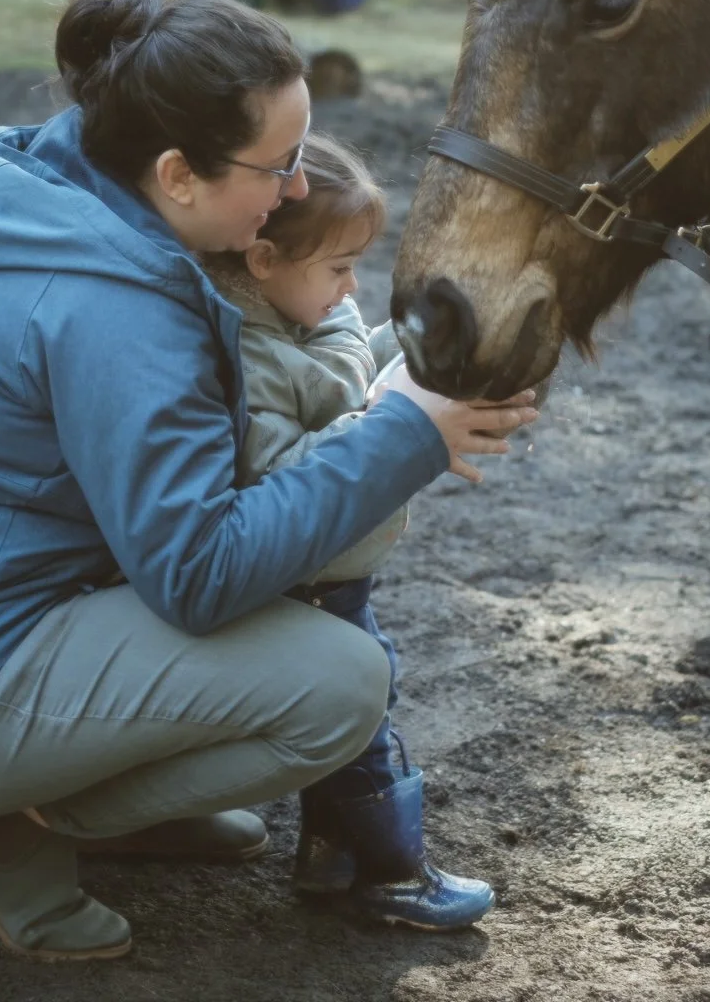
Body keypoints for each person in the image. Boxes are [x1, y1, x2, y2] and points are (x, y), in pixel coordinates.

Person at [0, 0, 538, 962]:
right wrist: (407, 431)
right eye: (277, 166)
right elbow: (199, 570)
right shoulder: (112, 306)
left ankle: (77, 786)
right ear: (177, 172)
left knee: (297, 603)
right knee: (338, 683)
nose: (299, 187)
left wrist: (385, 407)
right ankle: (9, 812)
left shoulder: (54, 197)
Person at [203, 133, 497, 929]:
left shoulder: (302, 319)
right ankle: (391, 872)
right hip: (303, 574)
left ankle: (329, 857)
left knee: (369, 698)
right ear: (263, 262)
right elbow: (276, 472)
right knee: (366, 720)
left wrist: (416, 359)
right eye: (337, 269)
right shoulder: (249, 355)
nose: (351, 286)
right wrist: (387, 424)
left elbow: (344, 379)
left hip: (337, 567)